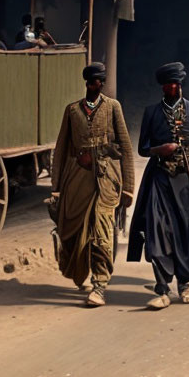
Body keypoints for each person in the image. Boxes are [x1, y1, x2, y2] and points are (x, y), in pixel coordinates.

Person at [128, 62, 189, 310]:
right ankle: (162, 287)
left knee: (186, 232)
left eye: (176, 84)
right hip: (159, 179)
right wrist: (161, 149)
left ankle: (184, 284)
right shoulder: (151, 113)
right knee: (156, 230)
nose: (173, 87)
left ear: (181, 85)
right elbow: (142, 149)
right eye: (168, 84)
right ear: (163, 87)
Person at [50, 62, 134, 307]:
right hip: (76, 180)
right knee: (74, 234)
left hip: (107, 181)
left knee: (102, 232)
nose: (92, 85)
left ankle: (100, 285)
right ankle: (80, 274)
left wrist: (128, 187)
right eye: (88, 81)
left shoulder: (112, 107)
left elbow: (125, 147)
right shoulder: (73, 110)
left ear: (101, 84)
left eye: (96, 81)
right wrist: (56, 187)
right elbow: (61, 148)